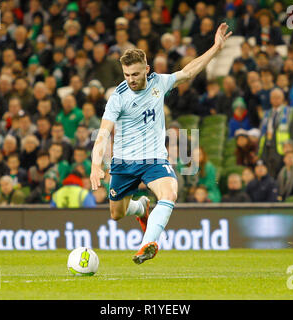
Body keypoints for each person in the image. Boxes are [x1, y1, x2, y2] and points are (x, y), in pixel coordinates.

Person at [90, 23, 232, 264]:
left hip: (154, 159)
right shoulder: (118, 98)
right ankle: (142, 206)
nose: (131, 80)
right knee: (117, 214)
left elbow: (188, 72)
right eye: (126, 75)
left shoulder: (159, 82)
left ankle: (148, 244)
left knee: (170, 193)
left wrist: (216, 48)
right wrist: (96, 164)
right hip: (124, 163)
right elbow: (103, 133)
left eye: (135, 74)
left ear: (146, 69)